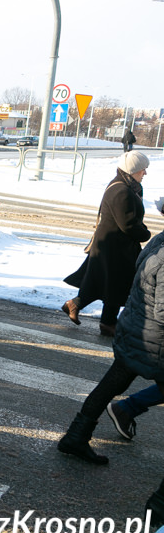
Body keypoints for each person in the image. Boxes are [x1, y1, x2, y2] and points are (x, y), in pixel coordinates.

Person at [57, 228, 164, 465]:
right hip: (154, 340)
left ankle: (76, 435)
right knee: (111, 385)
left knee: (109, 385)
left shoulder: (160, 239)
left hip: (135, 329)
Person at [62, 151, 151, 336]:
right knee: (114, 284)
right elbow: (127, 224)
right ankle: (107, 323)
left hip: (115, 246)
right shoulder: (121, 190)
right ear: (133, 169)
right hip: (113, 247)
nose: (145, 173)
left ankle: (80, 307)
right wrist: (145, 233)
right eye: (143, 169)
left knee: (105, 283)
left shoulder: (128, 186)